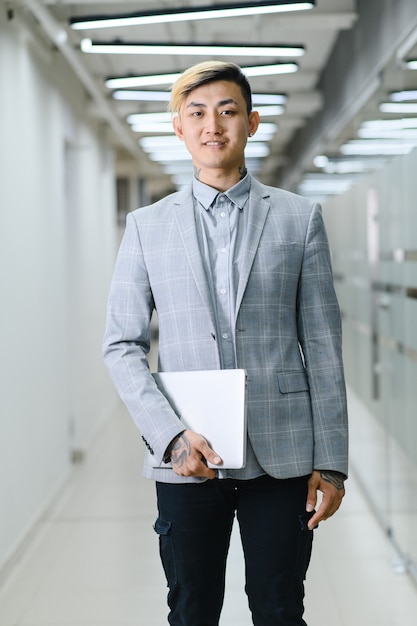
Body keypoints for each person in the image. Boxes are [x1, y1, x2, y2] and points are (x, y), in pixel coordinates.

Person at [103, 60, 348, 626]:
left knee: (281, 609)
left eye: (227, 111)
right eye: (198, 113)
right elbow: (121, 344)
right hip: (189, 456)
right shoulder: (147, 226)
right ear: (180, 128)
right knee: (191, 611)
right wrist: (169, 437)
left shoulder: (298, 218)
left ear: (252, 122)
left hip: (282, 456)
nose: (213, 125)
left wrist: (331, 463)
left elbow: (324, 345)